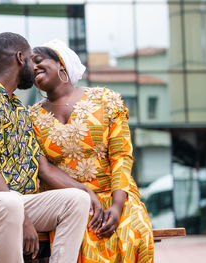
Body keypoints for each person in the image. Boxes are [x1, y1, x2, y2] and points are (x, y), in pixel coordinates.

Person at [0, 32, 92, 263]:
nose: (34, 68)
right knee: (11, 202)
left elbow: (42, 167)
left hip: (12, 206)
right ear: (19, 58)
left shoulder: (18, 108)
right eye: (31, 59)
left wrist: (87, 190)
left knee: (76, 200)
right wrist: (24, 219)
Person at [28, 39, 154, 262]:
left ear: (61, 64)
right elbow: (43, 169)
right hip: (68, 201)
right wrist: (84, 195)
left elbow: (121, 156)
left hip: (115, 194)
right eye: (30, 65)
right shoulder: (31, 118)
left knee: (130, 225)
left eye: (38, 60)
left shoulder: (106, 100)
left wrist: (116, 206)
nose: (34, 67)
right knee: (80, 227)